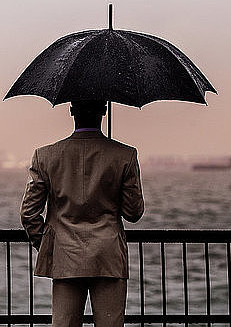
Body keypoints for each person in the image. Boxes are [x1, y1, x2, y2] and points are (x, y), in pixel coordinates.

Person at [20, 100, 144, 327]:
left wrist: (49, 244)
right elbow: (133, 213)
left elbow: (28, 214)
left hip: (66, 255)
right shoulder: (125, 155)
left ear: (71, 112)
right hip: (108, 256)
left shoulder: (45, 156)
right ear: (104, 112)